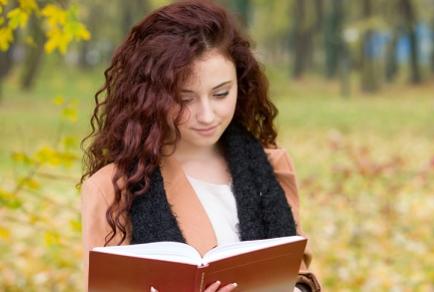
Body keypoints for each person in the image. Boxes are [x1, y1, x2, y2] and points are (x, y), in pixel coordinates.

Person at [79, 1, 321, 291]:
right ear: (151, 97)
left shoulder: (271, 166)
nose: (207, 115)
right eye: (185, 99)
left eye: (221, 93)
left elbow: (301, 275)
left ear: (240, 83)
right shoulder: (113, 188)